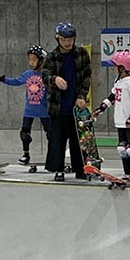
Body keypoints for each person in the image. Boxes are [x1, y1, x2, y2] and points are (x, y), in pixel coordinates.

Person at [42, 21, 92, 182]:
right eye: (64, 39)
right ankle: (58, 170)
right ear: (58, 39)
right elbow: (44, 76)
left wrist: (82, 96)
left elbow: (86, 77)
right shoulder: (51, 57)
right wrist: (54, 79)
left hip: (76, 106)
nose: (68, 42)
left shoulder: (81, 54)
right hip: (58, 106)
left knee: (79, 140)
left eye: (70, 39)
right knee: (57, 140)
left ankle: (81, 169)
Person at [92, 51, 130, 183]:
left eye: (115, 66)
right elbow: (112, 97)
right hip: (120, 121)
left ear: (123, 67)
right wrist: (100, 109)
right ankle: (128, 173)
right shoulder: (119, 81)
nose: (113, 68)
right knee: (122, 149)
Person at [0, 45, 50, 165]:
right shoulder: (28, 74)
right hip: (29, 110)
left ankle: (52, 155)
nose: (31, 62)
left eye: (34, 60)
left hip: (44, 110)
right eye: (29, 60)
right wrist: (2, 79)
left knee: (51, 134)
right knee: (24, 133)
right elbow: (16, 81)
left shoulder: (46, 75)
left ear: (41, 60)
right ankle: (26, 154)